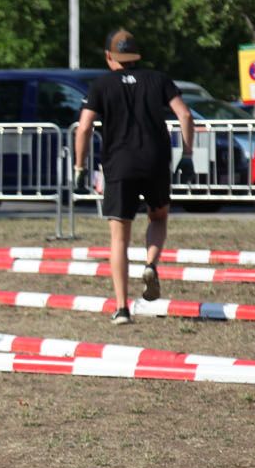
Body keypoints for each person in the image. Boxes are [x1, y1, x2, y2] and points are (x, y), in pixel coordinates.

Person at [73, 28, 194, 325]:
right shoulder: (159, 79)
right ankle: (151, 263)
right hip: (155, 160)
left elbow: (85, 126)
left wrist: (80, 167)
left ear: (108, 56)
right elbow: (186, 115)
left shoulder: (100, 85)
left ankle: (121, 308)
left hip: (119, 164)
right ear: (136, 56)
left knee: (119, 237)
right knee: (159, 217)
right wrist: (188, 156)